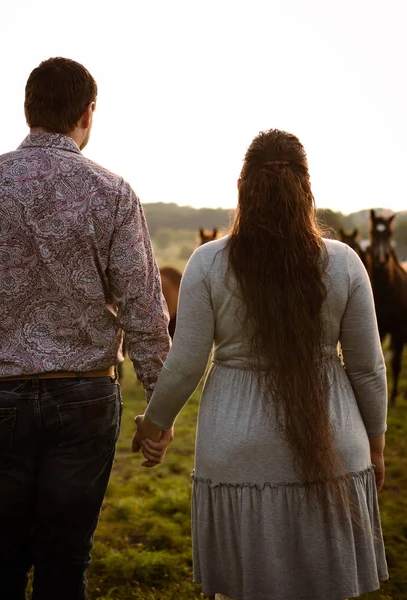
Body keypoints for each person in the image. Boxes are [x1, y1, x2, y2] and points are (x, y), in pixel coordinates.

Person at [0, 57, 171, 600]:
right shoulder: (113, 192)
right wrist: (159, 405)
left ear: (28, 110)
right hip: (84, 398)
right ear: (88, 114)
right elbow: (144, 311)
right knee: (64, 565)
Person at [133, 129, 388, 600]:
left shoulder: (208, 263)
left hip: (237, 446)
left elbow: (187, 362)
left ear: (243, 187)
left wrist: (153, 426)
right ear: (307, 189)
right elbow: (368, 368)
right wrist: (375, 446)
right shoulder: (345, 263)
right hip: (336, 441)